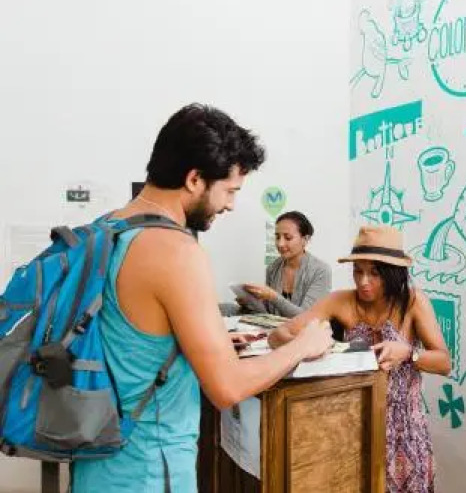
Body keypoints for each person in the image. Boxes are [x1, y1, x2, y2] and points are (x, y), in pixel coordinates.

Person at [72, 103, 333, 493]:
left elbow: (126, 336)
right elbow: (227, 387)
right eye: (230, 190)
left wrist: (202, 341)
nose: (230, 204)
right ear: (195, 179)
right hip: (149, 471)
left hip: (94, 464)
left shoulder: (106, 228)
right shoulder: (175, 250)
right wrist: (303, 346)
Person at [268, 225, 451, 493]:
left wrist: (408, 353)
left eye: (374, 273)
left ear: (393, 274)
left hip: (405, 431)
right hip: (354, 424)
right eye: (357, 271)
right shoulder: (340, 301)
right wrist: (310, 347)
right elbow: (278, 335)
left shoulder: (413, 302)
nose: (363, 281)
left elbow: (444, 362)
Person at [237, 211, 331, 317]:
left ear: (305, 239)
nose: (280, 244)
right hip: (276, 327)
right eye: (277, 237)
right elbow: (268, 313)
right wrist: (251, 303)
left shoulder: (320, 271)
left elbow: (306, 317)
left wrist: (273, 296)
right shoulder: (273, 268)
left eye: (288, 238)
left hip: (305, 327)